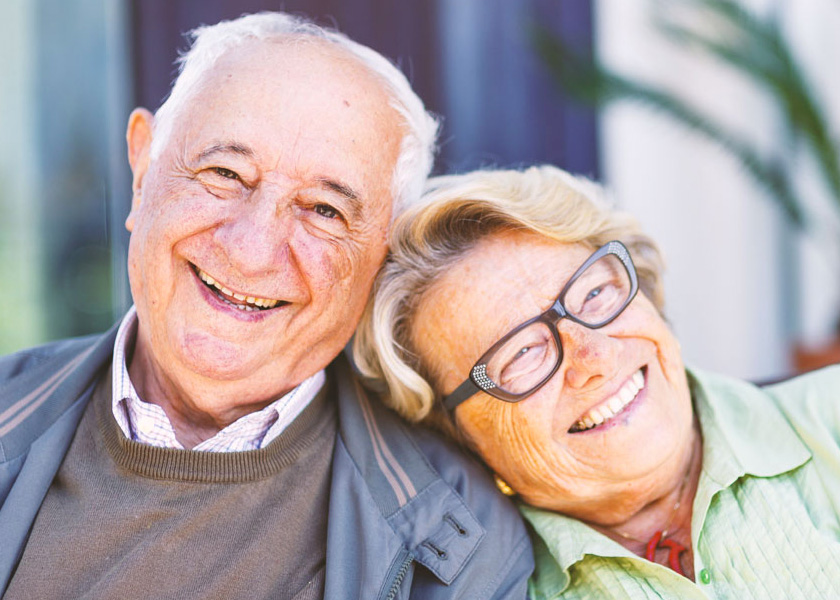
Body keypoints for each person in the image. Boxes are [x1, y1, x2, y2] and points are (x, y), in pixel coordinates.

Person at [0, 13, 533, 599]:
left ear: (383, 257)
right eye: (225, 173)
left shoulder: (463, 549)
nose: (251, 251)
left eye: (325, 210)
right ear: (143, 169)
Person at [355, 164, 840, 598]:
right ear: (458, 432)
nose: (596, 356)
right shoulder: (494, 589)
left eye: (594, 293)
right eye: (521, 353)